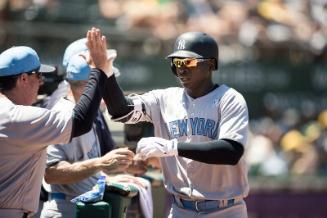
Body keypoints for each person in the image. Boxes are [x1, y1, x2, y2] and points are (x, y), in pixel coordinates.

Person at [103, 31, 249, 217]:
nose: (181, 69)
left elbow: (231, 151)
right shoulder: (164, 98)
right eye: (177, 62)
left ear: (211, 64)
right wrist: (106, 73)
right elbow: (120, 110)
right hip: (180, 209)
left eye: (189, 62)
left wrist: (172, 147)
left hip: (226, 209)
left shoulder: (229, 99)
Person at [0, 28, 134, 218]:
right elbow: (80, 122)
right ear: (23, 79)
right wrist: (99, 69)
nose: (41, 82)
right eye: (38, 76)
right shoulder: (18, 116)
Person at [40, 52, 146, 218]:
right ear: (92, 85)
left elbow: (87, 165)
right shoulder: (61, 115)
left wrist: (118, 166)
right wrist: (100, 163)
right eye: (103, 83)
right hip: (65, 209)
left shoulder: (90, 113)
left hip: (86, 207)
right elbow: (51, 174)